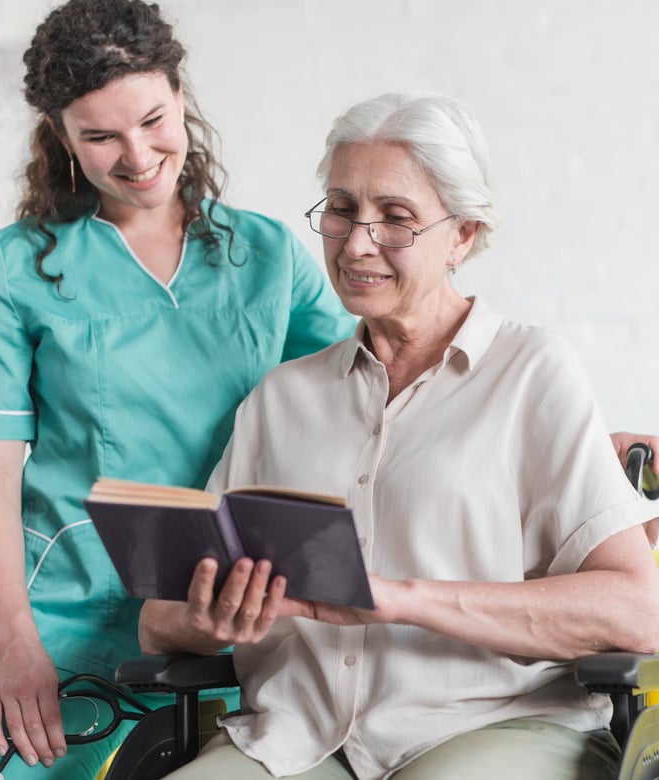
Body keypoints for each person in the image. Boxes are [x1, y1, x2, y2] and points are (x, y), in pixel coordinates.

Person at [138, 92, 659, 780]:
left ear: (463, 235)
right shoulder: (281, 397)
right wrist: (218, 616)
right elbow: (157, 621)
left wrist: (397, 598)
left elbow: (636, 612)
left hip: (489, 725)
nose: (357, 243)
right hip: (297, 740)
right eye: (342, 209)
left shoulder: (533, 372)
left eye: (396, 219)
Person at [0, 0, 356, 776]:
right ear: (60, 137)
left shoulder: (265, 255)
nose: (137, 155)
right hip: (61, 618)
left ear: (181, 97)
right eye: (100, 136)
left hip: (223, 619)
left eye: (154, 120)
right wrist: (13, 642)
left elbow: (377, 395)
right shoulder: (16, 266)